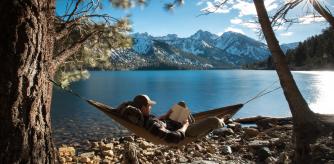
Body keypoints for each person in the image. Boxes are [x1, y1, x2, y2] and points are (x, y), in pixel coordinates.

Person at [129, 94, 226, 140]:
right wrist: (185, 126)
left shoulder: (142, 116)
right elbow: (174, 136)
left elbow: (155, 122)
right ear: (142, 107)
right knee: (213, 120)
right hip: (185, 131)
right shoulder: (152, 124)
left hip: (171, 122)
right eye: (149, 106)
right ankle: (222, 121)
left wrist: (165, 115)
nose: (151, 107)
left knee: (181, 103)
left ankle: (192, 122)